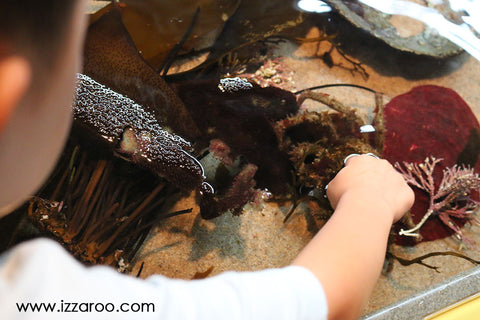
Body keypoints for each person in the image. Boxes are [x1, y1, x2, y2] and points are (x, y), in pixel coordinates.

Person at [0, 1, 414, 319]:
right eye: (74, 56)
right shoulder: (37, 299)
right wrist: (370, 200)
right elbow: (326, 300)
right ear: (10, 96)